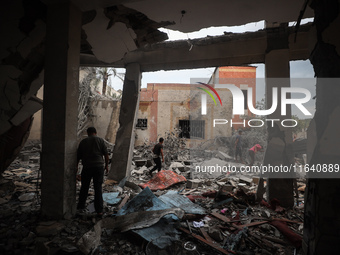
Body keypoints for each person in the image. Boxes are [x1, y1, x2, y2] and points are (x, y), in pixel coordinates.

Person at [76, 127, 109, 216]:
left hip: (87, 167)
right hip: (98, 167)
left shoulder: (83, 142)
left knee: (84, 187)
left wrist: (76, 169)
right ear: (95, 132)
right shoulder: (100, 140)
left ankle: (80, 206)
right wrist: (106, 166)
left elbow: (78, 157)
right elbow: (106, 154)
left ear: (88, 133)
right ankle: (99, 210)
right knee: (98, 188)